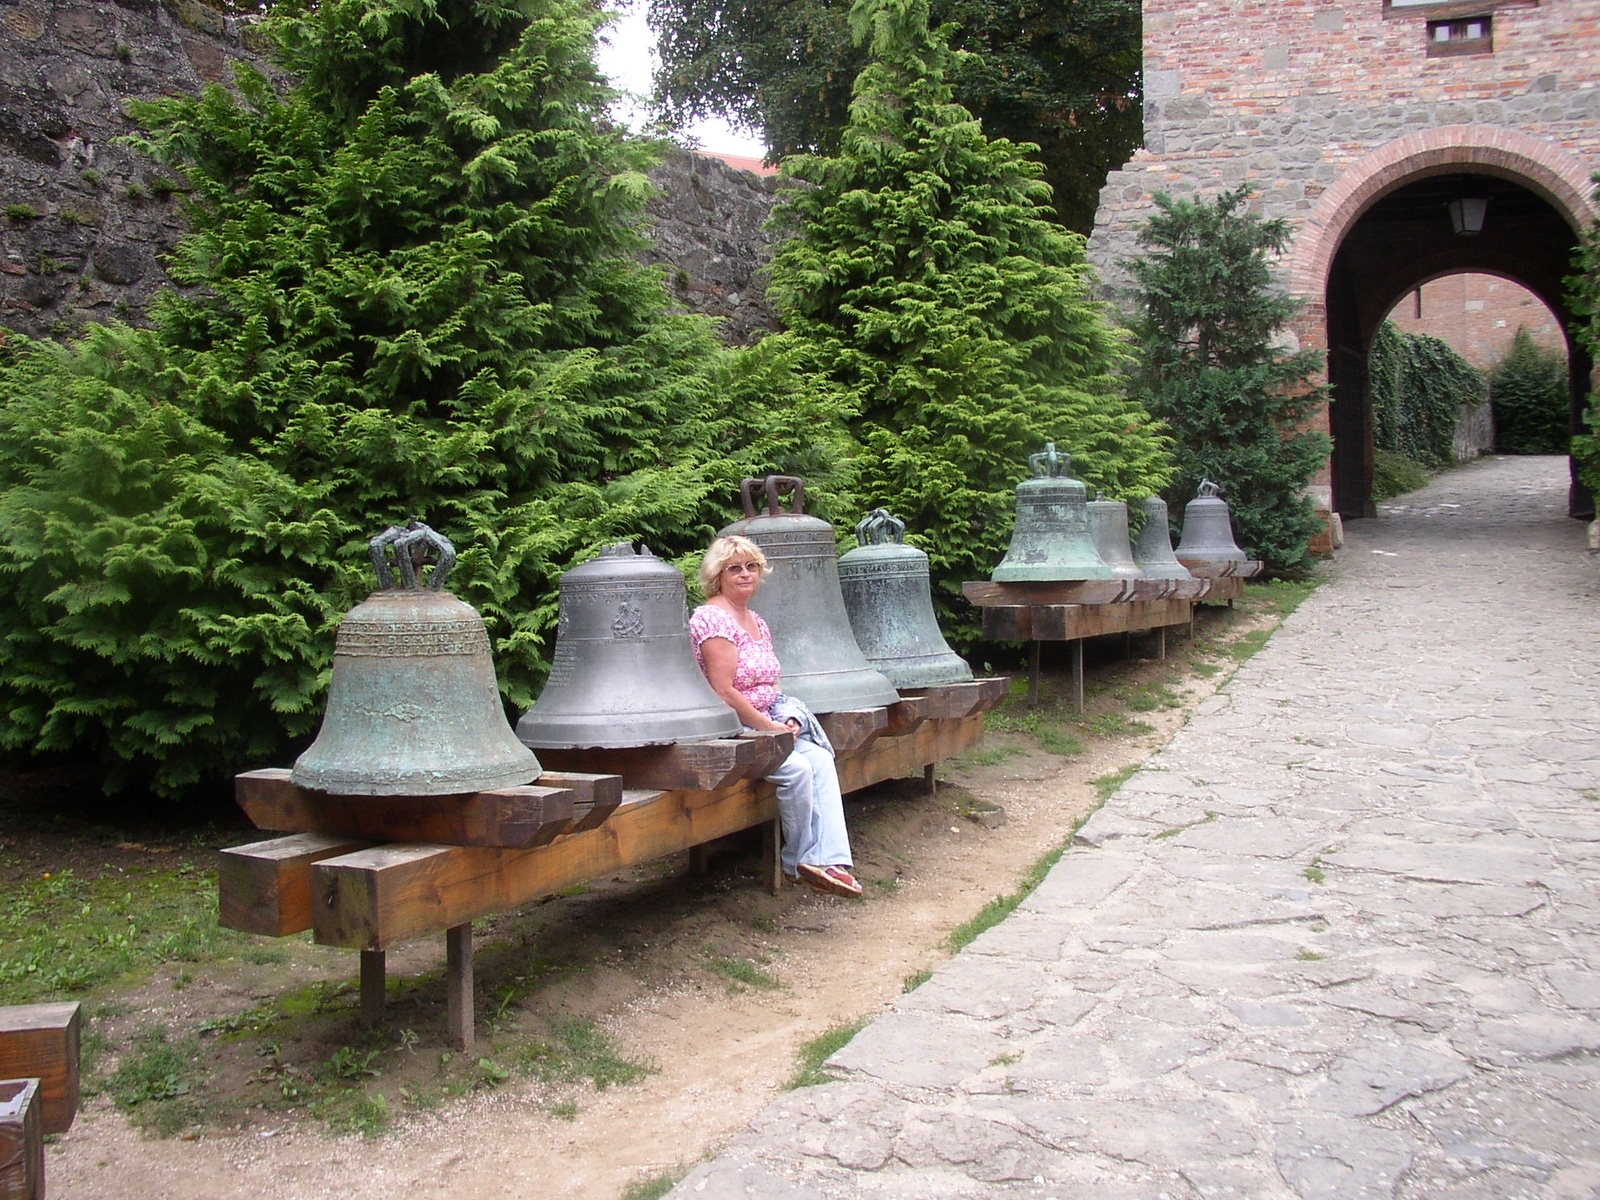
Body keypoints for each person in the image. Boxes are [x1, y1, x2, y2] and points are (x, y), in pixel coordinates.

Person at [690, 535, 862, 899]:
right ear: (718, 575)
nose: (745, 574)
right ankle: (797, 861)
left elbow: (769, 682)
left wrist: (788, 718)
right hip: (731, 726)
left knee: (819, 757)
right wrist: (768, 727)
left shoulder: (756, 620)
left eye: (751, 566)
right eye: (734, 568)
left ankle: (829, 861)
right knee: (797, 770)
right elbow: (723, 690)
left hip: (767, 718)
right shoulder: (710, 618)